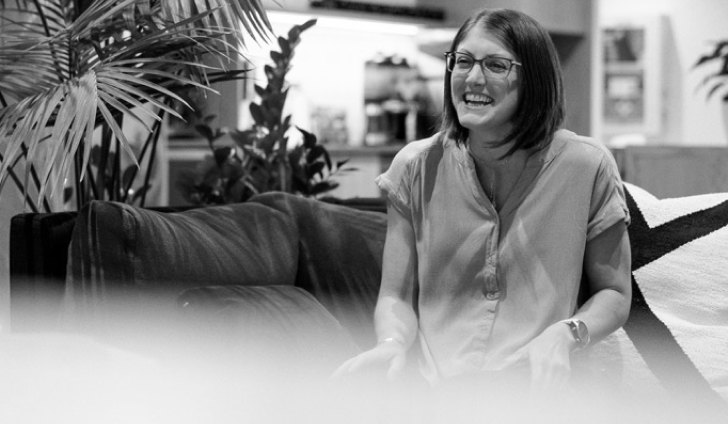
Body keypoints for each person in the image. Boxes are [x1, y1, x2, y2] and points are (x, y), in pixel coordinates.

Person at [333, 8, 632, 394]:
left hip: (539, 394)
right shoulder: (414, 166)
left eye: (495, 65)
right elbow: (395, 296)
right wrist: (390, 344)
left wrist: (567, 333)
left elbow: (615, 293)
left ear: (534, 80)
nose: (473, 78)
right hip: (437, 395)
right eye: (463, 61)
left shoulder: (587, 165)